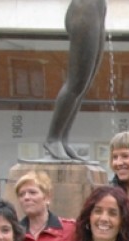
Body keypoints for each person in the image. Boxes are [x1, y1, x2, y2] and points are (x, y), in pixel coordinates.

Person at [44, 0, 106, 161]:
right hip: (85, 8)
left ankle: (62, 138)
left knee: (83, 85)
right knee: (76, 83)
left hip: (98, 8)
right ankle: (53, 138)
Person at [14, 171, 74, 241]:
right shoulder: (14, 234)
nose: (26, 197)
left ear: (47, 197)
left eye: (32, 192)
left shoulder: (69, 230)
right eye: (21, 194)